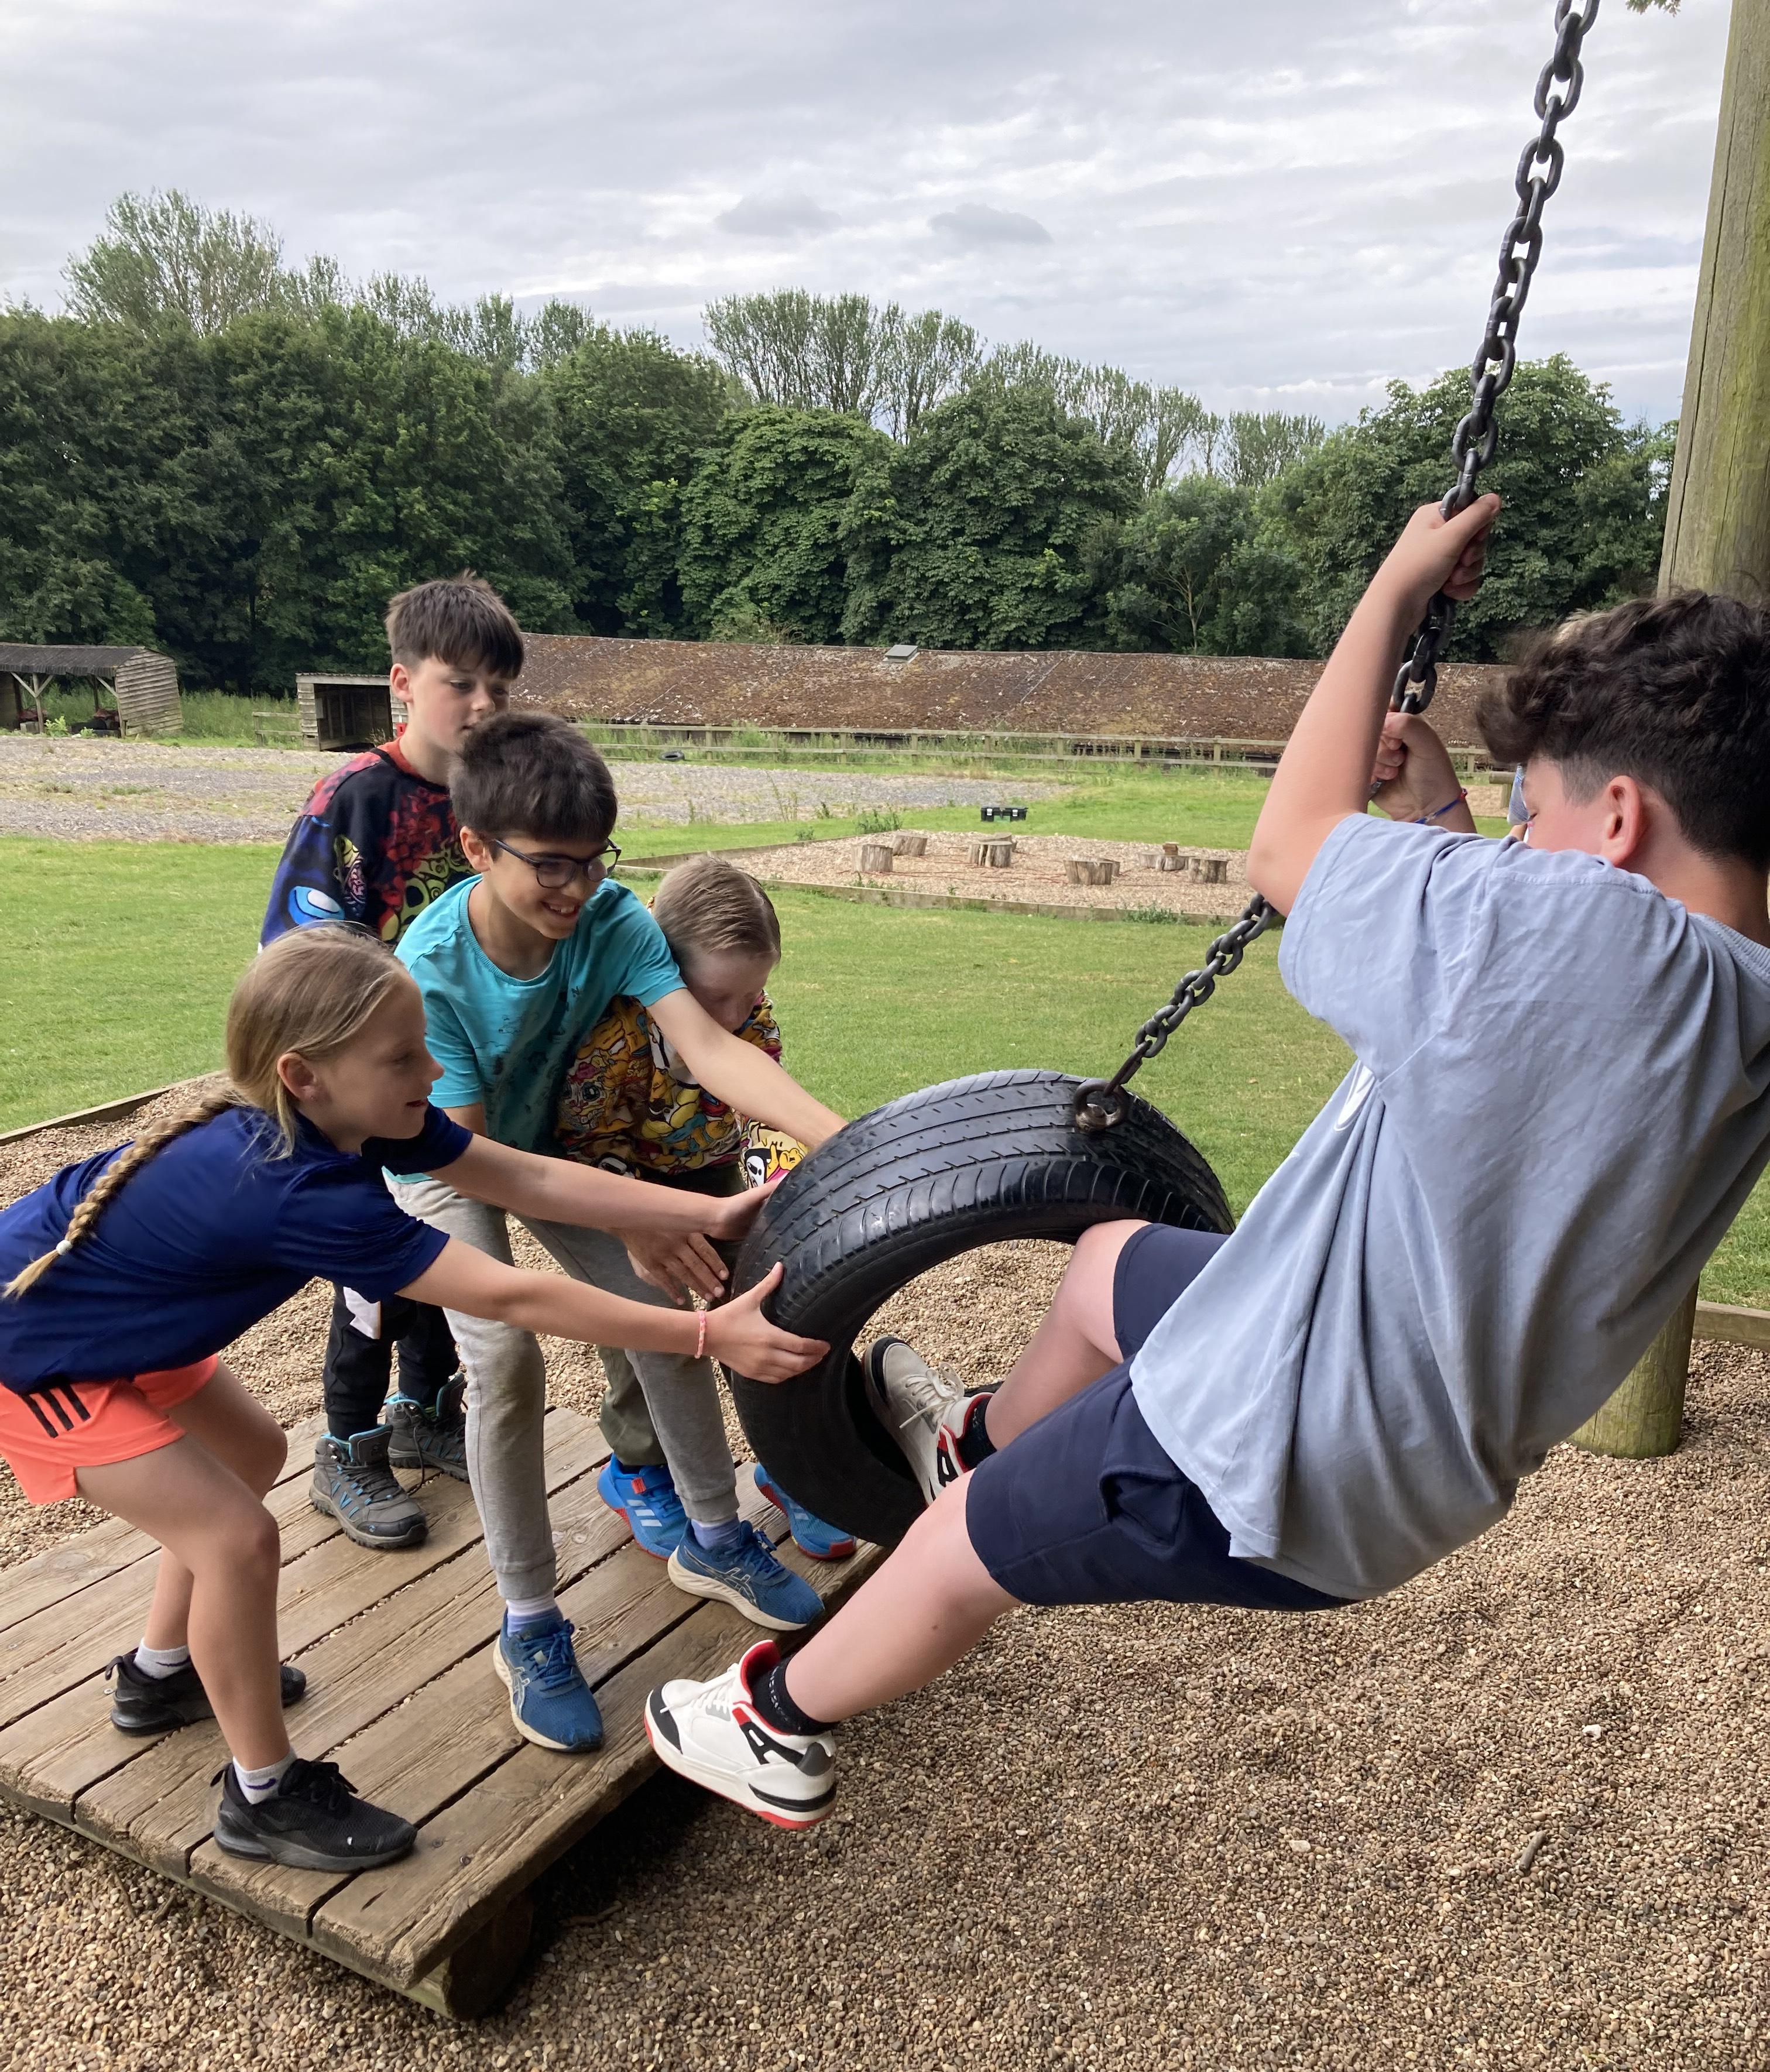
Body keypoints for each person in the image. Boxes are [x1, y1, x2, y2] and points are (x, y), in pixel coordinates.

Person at [643, 493, 1770, 1829]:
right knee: (1106, 1265)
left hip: (1278, 1444)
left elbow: (1288, 848)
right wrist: (1441, 809)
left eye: (1535, 817)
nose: (1520, 853)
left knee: (961, 1550)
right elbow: (1512, 996)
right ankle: (975, 1440)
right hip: (1392, 1420)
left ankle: (773, 1723)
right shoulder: (1730, 1001)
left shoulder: (1595, 937)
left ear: (1620, 819)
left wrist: (1393, 593)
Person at [0, 927, 824, 1869]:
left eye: (424, 1045)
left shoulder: (348, 1120)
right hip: (38, 1354)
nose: (433, 1071)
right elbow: (511, 1296)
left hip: (118, 1327)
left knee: (253, 1456)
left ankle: (161, 1676)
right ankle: (264, 1797)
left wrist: (707, 1212)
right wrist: (710, 1335)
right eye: (403, 1057)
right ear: (304, 1075)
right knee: (235, 1538)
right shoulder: (293, 1188)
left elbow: (522, 1174)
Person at [388, 710, 848, 1667]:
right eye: (551, 864)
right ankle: (528, 1619)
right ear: (476, 847)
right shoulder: (432, 973)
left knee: (669, 1306)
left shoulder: (616, 920)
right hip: (449, 1162)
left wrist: (842, 1140)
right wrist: (640, 1210)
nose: (577, 887)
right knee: (505, 1363)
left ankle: (715, 1535)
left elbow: (712, 1047)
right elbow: (478, 1163)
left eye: (594, 860)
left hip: (550, 1147)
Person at [261, 574, 524, 1553]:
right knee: (371, 1265)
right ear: (403, 683)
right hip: (361, 1088)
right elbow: (300, 954)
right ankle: (346, 1445)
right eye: (462, 683)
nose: (484, 705)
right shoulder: (354, 801)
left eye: (500, 687)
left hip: (452, 1083)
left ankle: (424, 1406)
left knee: (444, 1254)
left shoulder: (498, 798)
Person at [554, 854, 855, 1566]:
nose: (738, 1014)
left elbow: (763, 1100)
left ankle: (787, 1461)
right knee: (649, 1323)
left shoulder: (748, 1013)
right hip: (622, 1187)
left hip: (712, 1172)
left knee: (764, 1303)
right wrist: (638, 1224)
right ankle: (639, 1468)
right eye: (717, 997)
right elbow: (583, 1139)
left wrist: (792, 1178)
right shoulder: (612, 1034)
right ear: (662, 969)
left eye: (753, 993)